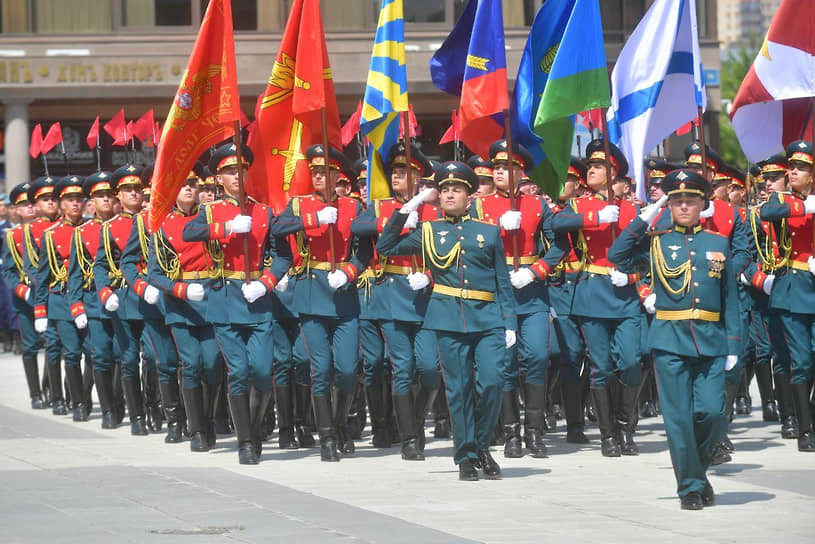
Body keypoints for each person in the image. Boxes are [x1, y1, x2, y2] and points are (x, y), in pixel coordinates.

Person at [377, 161, 516, 481]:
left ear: (471, 195)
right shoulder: (428, 231)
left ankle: (481, 444)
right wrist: (410, 205)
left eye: (457, 189)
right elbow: (386, 247)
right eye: (444, 190)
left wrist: (509, 322)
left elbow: (501, 281)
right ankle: (466, 455)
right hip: (448, 318)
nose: (450, 194)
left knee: (493, 382)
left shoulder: (488, 231)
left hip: (488, 318)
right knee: (459, 390)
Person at [609, 168, 739, 510]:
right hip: (669, 340)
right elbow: (617, 256)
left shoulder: (718, 243)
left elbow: (730, 299)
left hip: (711, 340)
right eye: (676, 201)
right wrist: (647, 215)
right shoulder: (655, 241)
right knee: (678, 419)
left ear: (703, 205)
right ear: (669, 205)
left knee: (712, 413)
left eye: (690, 201)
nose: (683, 207)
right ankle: (691, 487)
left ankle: (696, 470)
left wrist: (735, 344)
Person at [183, 142, 291, 464]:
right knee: (239, 371)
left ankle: (255, 429)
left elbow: (283, 255)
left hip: (256, 300)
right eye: (230, 172)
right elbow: (190, 232)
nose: (237, 176)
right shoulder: (209, 211)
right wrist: (225, 227)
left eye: (240, 170)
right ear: (219, 179)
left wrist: (266, 283)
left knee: (261, 371)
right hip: (225, 300)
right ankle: (245, 441)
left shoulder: (263, 211)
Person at [271, 144, 371, 462]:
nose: (317, 176)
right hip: (312, 293)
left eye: (324, 172)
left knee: (346, 369)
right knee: (321, 369)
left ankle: (341, 423)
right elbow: (277, 229)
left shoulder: (353, 207)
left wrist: (351, 270)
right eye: (313, 171)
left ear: (336, 174)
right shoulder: (300, 205)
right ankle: (327, 435)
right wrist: (313, 218)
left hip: (343, 294)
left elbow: (366, 248)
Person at [551, 140, 643, 457]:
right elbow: (556, 223)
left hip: (625, 293)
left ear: (614, 171)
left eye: (599, 166)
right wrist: (595, 218)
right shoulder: (579, 207)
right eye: (590, 165)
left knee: (631, 361)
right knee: (601, 366)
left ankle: (626, 426)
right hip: (592, 293)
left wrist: (633, 276)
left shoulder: (633, 209)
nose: (591, 169)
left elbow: (648, 253)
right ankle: (609, 435)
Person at [351, 142, 441, 461]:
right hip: (391, 295)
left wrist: (429, 276)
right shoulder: (380, 206)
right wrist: (396, 220)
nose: (397, 176)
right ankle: (408, 439)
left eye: (405, 171)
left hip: (426, 297)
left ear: (419, 175)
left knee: (431, 369)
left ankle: (415, 423)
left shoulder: (436, 209)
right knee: (402, 367)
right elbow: (357, 226)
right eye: (395, 171)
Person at [471, 139, 560, 458]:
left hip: (531, 291)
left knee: (536, 357)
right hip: (498, 292)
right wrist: (496, 229)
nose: (498, 172)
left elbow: (559, 244)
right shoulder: (478, 206)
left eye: (506, 167)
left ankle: (534, 431)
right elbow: (468, 244)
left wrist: (537, 270)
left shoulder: (538, 205)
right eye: (495, 167)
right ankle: (511, 433)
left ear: (520, 171)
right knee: (505, 363)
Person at [759, 140, 815, 452]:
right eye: (792, 167)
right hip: (793, 287)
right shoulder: (781, 199)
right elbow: (769, 212)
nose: (793, 171)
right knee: (801, 361)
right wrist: (805, 206)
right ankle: (804, 428)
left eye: (802, 168)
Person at [34, 175, 92, 422]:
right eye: (70, 199)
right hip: (62, 299)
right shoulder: (51, 234)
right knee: (71, 352)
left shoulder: (92, 228)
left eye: (79, 198)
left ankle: (81, 394)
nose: (76, 203)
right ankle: (74, 402)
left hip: (89, 297)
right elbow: (44, 274)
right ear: (62, 204)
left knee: (93, 352)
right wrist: (40, 309)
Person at [68, 171, 122, 428]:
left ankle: (122, 403)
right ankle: (109, 409)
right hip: (94, 302)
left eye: (109, 196)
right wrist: (76, 306)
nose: (105, 201)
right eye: (100, 196)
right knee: (100, 355)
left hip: (123, 298)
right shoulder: (82, 232)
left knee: (123, 355)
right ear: (92, 201)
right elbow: (75, 273)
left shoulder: (126, 224)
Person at [24, 176, 65, 415]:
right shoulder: (33, 231)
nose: (50, 203)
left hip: (71, 293)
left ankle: (68, 391)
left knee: (75, 349)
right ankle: (54, 394)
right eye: (45, 199)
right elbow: (34, 268)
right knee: (53, 346)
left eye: (53, 199)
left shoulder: (70, 225)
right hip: (49, 293)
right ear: (37, 204)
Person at [2, 182, 45, 409]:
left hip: (47, 296)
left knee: (54, 345)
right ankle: (35, 392)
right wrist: (23, 290)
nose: (29, 208)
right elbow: (8, 270)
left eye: (32, 204)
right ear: (16, 210)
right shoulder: (13, 235)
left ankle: (50, 387)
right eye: (24, 205)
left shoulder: (48, 230)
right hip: (26, 297)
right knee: (30, 346)